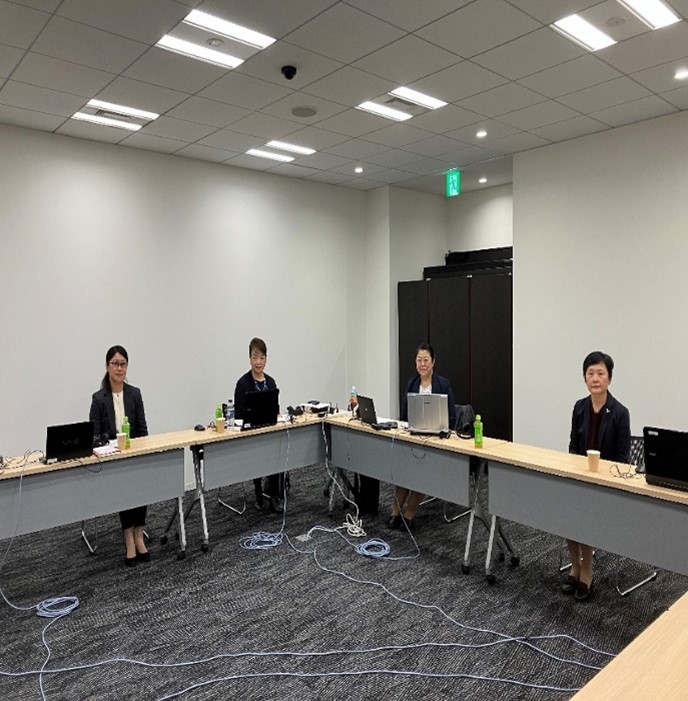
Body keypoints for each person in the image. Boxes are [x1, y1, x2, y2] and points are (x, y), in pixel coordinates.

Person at [564, 351, 630, 601]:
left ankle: (587, 572)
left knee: (584, 513)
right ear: (585, 378)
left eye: (600, 373)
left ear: (609, 378)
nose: (595, 378)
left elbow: (622, 460)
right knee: (565, 511)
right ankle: (575, 566)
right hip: (581, 478)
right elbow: (573, 446)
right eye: (590, 373)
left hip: (605, 485)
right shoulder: (579, 407)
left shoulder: (620, 413)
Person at [89, 345, 150, 567]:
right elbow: (94, 436)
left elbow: (142, 430)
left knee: (142, 481)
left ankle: (139, 534)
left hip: (134, 453)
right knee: (125, 483)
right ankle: (128, 538)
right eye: (115, 363)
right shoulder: (99, 398)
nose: (119, 368)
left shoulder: (135, 394)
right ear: (107, 366)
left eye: (123, 364)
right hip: (113, 459)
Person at [388, 343, 457, 531]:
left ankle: (409, 515)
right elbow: (404, 416)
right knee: (404, 471)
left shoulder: (443, 384)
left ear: (433, 362)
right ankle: (395, 513)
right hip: (413, 438)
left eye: (426, 360)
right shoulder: (411, 384)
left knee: (421, 471)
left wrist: (439, 430)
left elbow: (451, 418)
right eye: (419, 360)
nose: (422, 364)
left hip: (434, 442)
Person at [234, 337, 282, 512]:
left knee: (278, 449)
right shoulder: (243, 384)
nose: (258, 362)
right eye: (255, 358)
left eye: (262, 358)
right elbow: (238, 415)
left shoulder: (271, 382)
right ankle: (258, 492)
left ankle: (275, 495)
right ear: (249, 359)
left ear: (266, 359)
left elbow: (276, 410)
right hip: (251, 435)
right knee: (259, 451)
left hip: (270, 432)